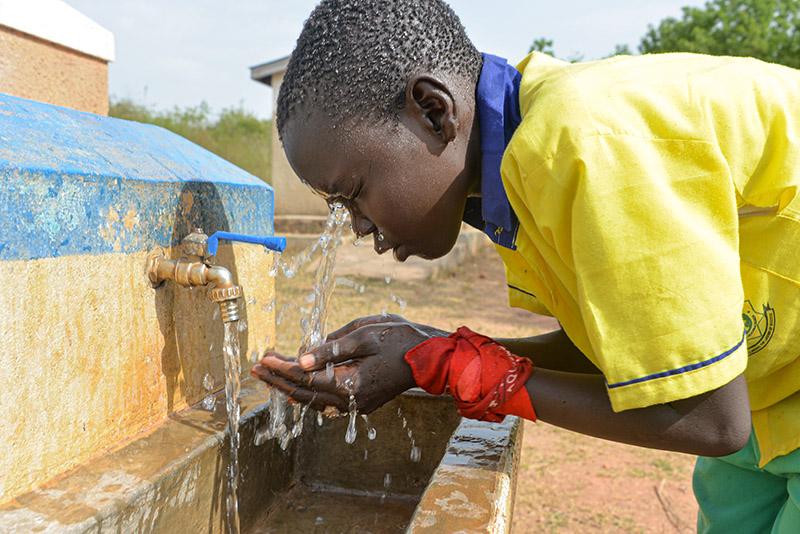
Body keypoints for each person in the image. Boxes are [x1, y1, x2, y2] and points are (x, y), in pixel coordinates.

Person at [250, 0, 800, 531]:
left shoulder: (583, 144)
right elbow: (622, 350)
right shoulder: (512, 162)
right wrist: (437, 353)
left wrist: (474, 373)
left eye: (355, 194)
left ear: (435, 112)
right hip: (769, 394)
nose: (359, 228)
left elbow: (710, 419)